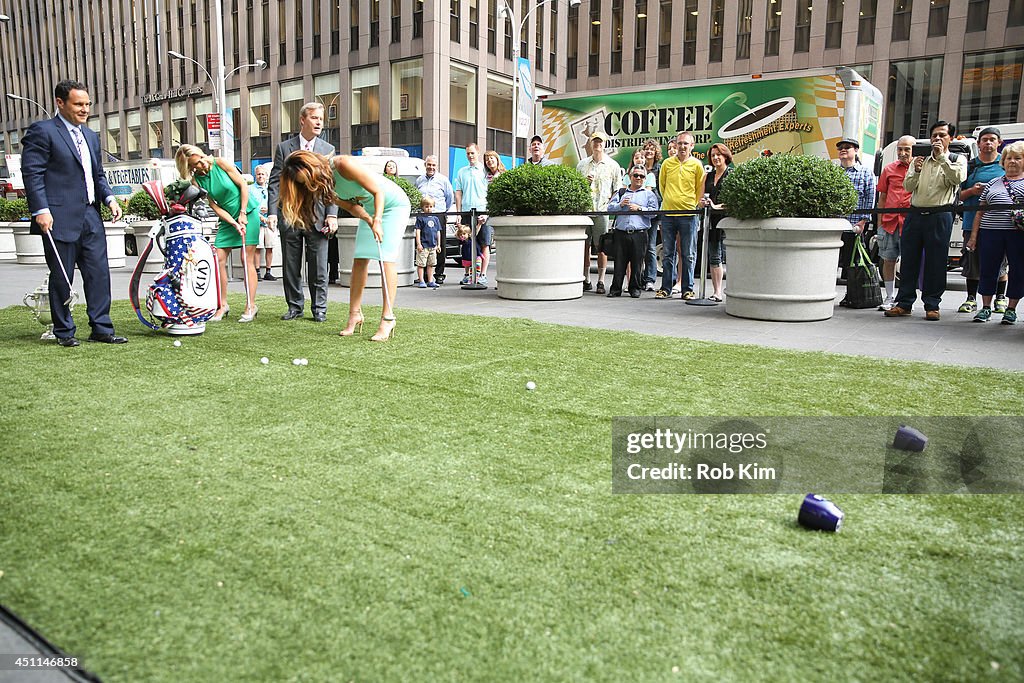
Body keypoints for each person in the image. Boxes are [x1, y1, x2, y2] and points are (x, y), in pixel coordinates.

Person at [21, 79, 127, 347]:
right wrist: (40, 210)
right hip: (57, 217)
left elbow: (97, 175)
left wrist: (110, 199)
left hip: (91, 215)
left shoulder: (91, 136)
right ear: (60, 103)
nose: (85, 109)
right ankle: (64, 331)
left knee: (99, 273)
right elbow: (32, 173)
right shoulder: (42, 132)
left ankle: (102, 328)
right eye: (78, 104)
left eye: (87, 104)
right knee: (61, 275)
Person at [278, 151, 411, 341]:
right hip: (371, 209)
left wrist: (378, 221)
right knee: (360, 259)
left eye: (307, 179)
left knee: (386, 258)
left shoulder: (342, 164)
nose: (308, 185)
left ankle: (388, 318)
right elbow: (349, 206)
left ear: (312, 166)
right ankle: (355, 315)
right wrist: (367, 218)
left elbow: (377, 192)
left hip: (392, 204)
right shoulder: (321, 186)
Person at [885, 120, 967, 321]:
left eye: (942, 135)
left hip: (940, 215)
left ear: (950, 138)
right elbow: (908, 185)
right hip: (915, 213)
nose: (937, 139)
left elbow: (957, 179)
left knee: (936, 261)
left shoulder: (957, 159)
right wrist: (918, 170)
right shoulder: (918, 160)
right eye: (934, 136)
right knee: (909, 260)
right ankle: (904, 303)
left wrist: (941, 159)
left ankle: (932, 304)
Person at [268, 102, 339, 323]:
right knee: (291, 265)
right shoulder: (283, 148)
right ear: (302, 120)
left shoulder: (327, 150)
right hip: (290, 215)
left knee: (318, 266)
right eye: (314, 118)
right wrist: (272, 212)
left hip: (318, 217)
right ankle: (294, 307)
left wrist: (332, 214)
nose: (319, 122)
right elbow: (275, 182)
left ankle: (319, 309)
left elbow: (332, 185)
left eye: (321, 118)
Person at [175, 143, 261, 323]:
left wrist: (242, 214)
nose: (201, 165)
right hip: (228, 219)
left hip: (248, 212)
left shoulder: (220, 163)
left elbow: (243, 186)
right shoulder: (196, 181)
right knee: (218, 259)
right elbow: (214, 205)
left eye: (200, 160)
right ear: (188, 168)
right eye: (194, 165)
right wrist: (233, 222)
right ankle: (222, 305)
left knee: (247, 260)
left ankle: (251, 305)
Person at [966, 140, 1024, 324]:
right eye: (1009, 158)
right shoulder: (993, 183)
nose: (1012, 162)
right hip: (990, 233)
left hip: (1017, 234)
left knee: (1018, 271)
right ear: (1003, 161)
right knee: (988, 269)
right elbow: (980, 212)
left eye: (1017, 158)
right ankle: (985, 308)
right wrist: (974, 237)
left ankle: (1011, 309)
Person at [958, 126, 1008, 314]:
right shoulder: (969, 166)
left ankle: (1000, 298)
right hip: (972, 223)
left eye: (992, 139)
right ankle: (971, 299)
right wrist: (972, 191)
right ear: (978, 143)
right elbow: (957, 197)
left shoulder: (1006, 164)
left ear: (999, 142)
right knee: (972, 262)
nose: (988, 143)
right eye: (984, 139)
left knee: (1000, 263)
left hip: (1001, 223)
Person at [657, 131, 705, 300]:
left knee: (688, 253)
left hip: (689, 214)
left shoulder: (697, 165)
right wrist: (670, 201)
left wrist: (693, 204)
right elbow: (661, 187)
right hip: (668, 213)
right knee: (668, 252)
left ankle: (688, 289)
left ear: (692, 146)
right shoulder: (666, 164)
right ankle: (666, 288)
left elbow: (700, 189)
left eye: (686, 143)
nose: (682, 146)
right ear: (675, 145)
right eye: (680, 143)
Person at [576, 132, 621, 293]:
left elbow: (617, 190)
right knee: (585, 246)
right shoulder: (582, 164)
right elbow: (576, 188)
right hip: (585, 210)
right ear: (590, 143)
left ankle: (601, 281)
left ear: (604, 144)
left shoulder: (612, 165)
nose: (597, 144)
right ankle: (585, 279)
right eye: (595, 141)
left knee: (601, 247)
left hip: (602, 211)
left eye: (600, 142)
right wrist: (583, 182)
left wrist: (610, 205)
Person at [607, 165, 660, 298]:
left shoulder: (649, 194)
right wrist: (620, 205)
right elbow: (609, 208)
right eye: (635, 175)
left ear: (645, 179)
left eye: (641, 176)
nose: (638, 178)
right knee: (619, 262)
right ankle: (615, 289)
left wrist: (640, 209)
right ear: (630, 177)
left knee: (637, 263)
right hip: (621, 232)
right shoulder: (621, 192)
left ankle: (635, 288)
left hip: (640, 233)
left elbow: (654, 212)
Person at [875, 135, 915, 310]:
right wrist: (879, 225)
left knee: (909, 262)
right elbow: (882, 197)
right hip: (889, 222)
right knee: (888, 260)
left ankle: (906, 299)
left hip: (910, 223)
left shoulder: (921, 169)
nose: (903, 152)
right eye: (900, 149)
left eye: (907, 149)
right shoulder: (889, 169)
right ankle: (889, 297)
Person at [836, 137, 877, 288]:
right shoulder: (833, 172)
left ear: (856, 151)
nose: (843, 150)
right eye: (840, 148)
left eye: (847, 147)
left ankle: (852, 295)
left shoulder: (865, 173)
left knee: (852, 265)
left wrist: (863, 222)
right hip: (835, 225)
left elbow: (870, 198)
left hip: (854, 226)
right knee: (832, 262)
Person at [699, 142, 732, 302]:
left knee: (729, 257)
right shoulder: (708, 176)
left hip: (727, 222)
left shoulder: (731, 175)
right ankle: (717, 292)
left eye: (718, 154)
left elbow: (733, 201)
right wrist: (704, 203)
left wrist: (715, 206)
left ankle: (733, 291)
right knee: (714, 257)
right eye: (713, 155)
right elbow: (699, 199)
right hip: (711, 222)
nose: (716, 158)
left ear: (725, 156)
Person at [414, 154, 455, 283]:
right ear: (425, 165)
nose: (431, 167)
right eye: (429, 164)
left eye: (433, 165)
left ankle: (439, 274)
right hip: (423, 216)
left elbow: (450, 198)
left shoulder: (443, 180)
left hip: (438, 215)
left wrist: (443, 212)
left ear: (436, 166)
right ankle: (425, 276)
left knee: (439, 244)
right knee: (424, 245)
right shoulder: (419, 180)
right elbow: (416, 196)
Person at [454, 143, 489, 284]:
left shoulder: (485, 171)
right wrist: (458, 213)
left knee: (484, 243)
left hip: (482, 210)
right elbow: (458, 193)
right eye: (468, 153)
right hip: (467, 211)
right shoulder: (462, 171)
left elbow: (491, 193)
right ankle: (468, 274)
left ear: (478, 153)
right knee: (467, 243)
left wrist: (487, 212)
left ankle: (483, 275)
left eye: (472, 153)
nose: (470, 156)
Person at [641, 139, 664, 291]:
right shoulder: (638, 167)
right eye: (647, 149)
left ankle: (649, 279)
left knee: (650, 245)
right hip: (637, 212)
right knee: (638, 247)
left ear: (656, 152)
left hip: (653, 213)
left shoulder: (660, 169)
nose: (649, 151)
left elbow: (662, 190)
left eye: (652, 149)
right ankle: (638, 278)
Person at [251, 163, 279, 281]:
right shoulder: (250, 189)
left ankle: (268, 271)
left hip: (269, 222)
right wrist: (259, 214)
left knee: (270, 246)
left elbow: (276, 202)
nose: (260, 176)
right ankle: (257, 271)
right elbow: (250, 204)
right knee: (258, 247)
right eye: (258, 174)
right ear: (255, 176)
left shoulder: (270, 189)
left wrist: (270, 211)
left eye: (262, 174)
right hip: (257, 221)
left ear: (267, 176)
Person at [414, 195, 443, 288]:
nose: (428, 208)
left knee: (431, 264)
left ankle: (430, 280)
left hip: (433, 246)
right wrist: (419, 244)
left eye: (430, 206)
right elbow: (418, 231)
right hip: (423, 246)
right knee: (421, 264)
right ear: (422, 207)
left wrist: (438, 244)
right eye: (426, 206)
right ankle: (421, 280)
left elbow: (438, 232)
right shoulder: (420, 218)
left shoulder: (435, 218)